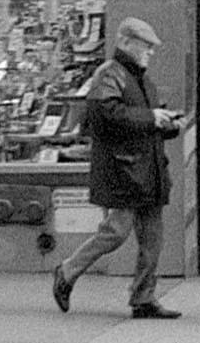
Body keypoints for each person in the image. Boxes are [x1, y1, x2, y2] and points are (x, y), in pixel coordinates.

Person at [52, 16, 184, 319]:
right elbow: (105, 115)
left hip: (145, 169)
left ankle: (143, 298)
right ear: (125, 42)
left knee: (152, 240)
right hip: (124, 169)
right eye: (145, 45)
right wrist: (152, 118)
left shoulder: (135, 78)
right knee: (116, 232)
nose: (150, 51)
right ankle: (68, 271)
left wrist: (166, 123)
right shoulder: (110, 74)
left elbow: (132, 119)